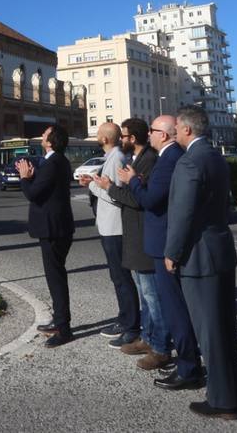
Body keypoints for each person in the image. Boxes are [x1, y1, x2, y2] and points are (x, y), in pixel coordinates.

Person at [166, 104, 237, 420]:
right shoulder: (215, 157)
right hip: (220, 251)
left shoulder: (189, 162)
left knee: (210, 333)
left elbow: (183, 213)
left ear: (186, 130)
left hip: (199, 257)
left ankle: (223, 402)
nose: (174, 133)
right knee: (224, 330)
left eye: (176, 128)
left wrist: (172, 253)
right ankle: (232, 395)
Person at [120, 114, 203, 383]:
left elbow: (152, 200)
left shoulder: (168, 159)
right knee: (171, 305)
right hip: (163, 241)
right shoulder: (171, 157)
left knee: (173, 308)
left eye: (154, 130)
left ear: (163, 135)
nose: (150, 135)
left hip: (163, 242)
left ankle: (187, 365)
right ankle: (185, 360)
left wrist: (133, 180)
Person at [94, 118, 168, 365]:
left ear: (131, 139)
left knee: (150, 293)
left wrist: (110, 186)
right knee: (144, 291)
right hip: (134, 232)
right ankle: (148, 336)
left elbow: (139, 199)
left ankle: (159, 345)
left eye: (123, 136)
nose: (120, 140)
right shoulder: (137, 158)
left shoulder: (147, 160)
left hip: (140, 232)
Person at [17, 125, 75, 347]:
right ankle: (59, 320)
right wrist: (33, 177)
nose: (42, 136)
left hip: (53, 229)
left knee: (56, 278)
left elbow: (33, 194)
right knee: (56, 277)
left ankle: (64, 328)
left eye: (45, 134)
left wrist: (25, 178)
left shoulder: (53, 163)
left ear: (51, 141)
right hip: (57, 227)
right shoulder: (55, 161)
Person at [84, 122, 141, 347]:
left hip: (115, 227)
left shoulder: (116, 157)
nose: (97, 134)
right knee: (118, 277)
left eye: (98, 133)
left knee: (121, 278)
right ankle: (125, 319)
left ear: (106, 138)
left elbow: (117, 195)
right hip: (109, 226)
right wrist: (93, 183)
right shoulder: (112, 156)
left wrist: (93, 187)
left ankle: (131, 325)